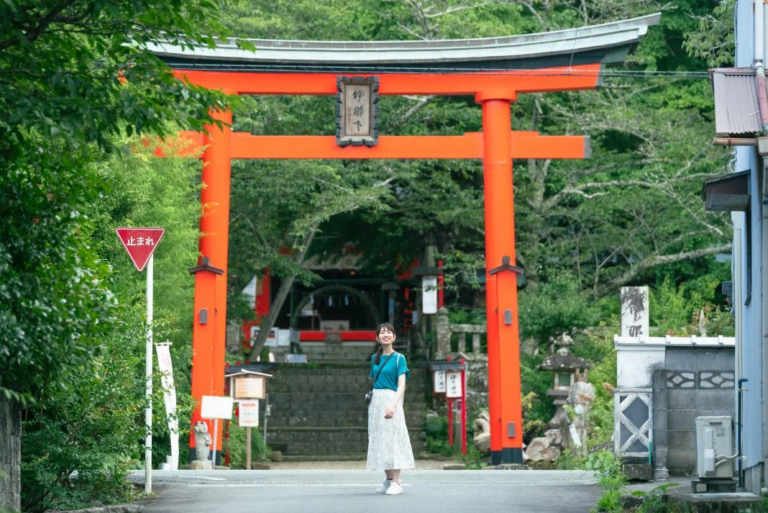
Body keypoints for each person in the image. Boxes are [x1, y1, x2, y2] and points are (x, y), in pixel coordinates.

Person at [366, 322, 415, 495]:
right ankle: (388, 480)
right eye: (382, 333)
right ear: (377, 337)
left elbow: (402, 385)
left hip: (391, 399)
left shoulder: (399, 358)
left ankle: (397, 482)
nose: (385, 335)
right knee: (379, 438)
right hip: (376, 401)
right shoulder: (375, 358)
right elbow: (375, 381)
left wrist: (393, 405)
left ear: (394, 337)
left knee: (393, 440)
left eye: (389, 332)